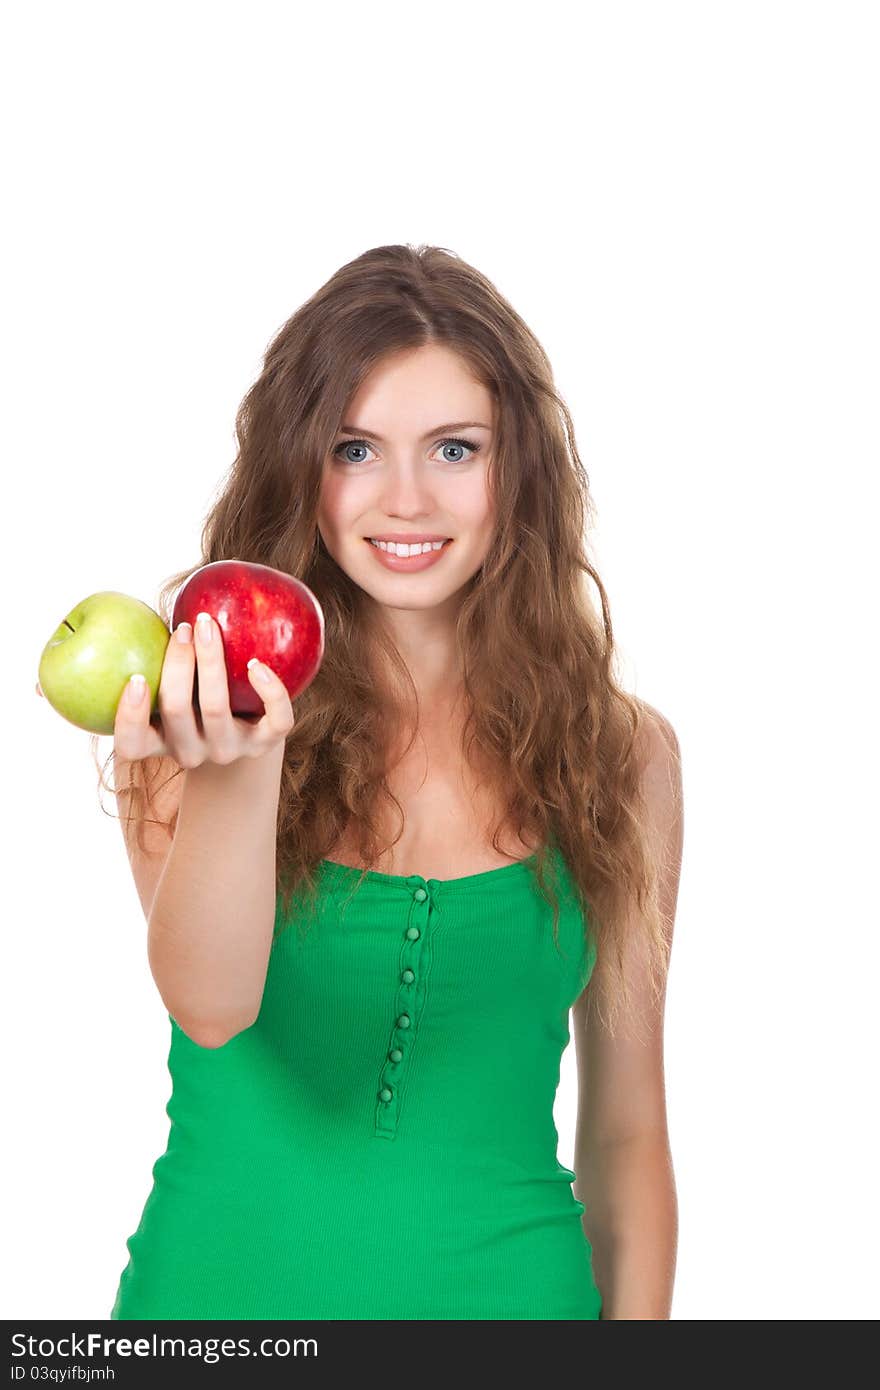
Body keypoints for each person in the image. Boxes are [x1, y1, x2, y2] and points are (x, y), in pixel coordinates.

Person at [75, 244, 683, 1320]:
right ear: (301, 466)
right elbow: (211, 1006)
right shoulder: (194, 708)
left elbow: (627, 1127)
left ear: (520, 471)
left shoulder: (621, 756)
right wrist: (244, 765)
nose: (406, 499)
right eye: (357, 448)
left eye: (455, 448)